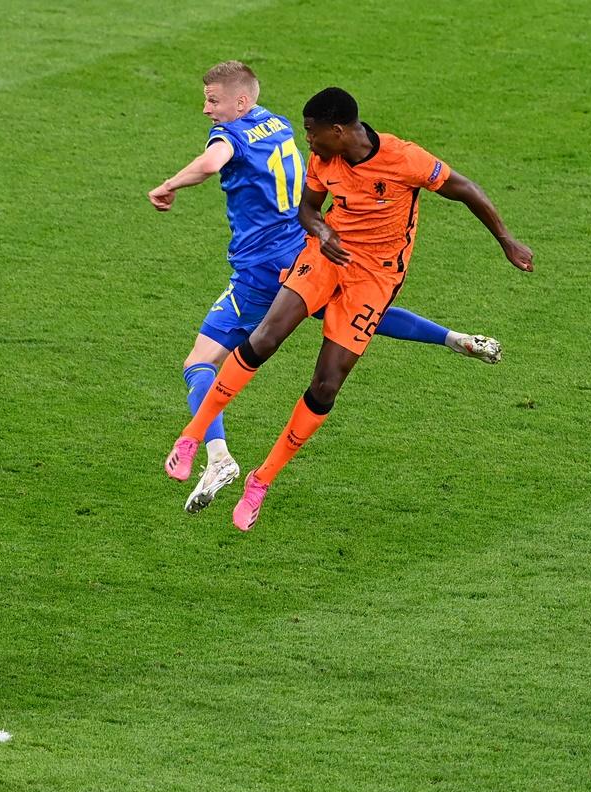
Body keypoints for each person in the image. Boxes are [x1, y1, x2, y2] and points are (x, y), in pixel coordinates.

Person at [164, 86, 534, 530]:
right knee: (264, 338)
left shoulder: (405, 159)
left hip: (374, 277)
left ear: (338, 131)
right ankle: (191, 438)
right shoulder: (325, 160)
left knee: (325, 385)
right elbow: (308, 209)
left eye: (312, 134)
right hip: (326, 256)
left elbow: (465, 189)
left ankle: (261, 481)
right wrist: (320, 231)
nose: (309, 144)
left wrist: (506, 240)